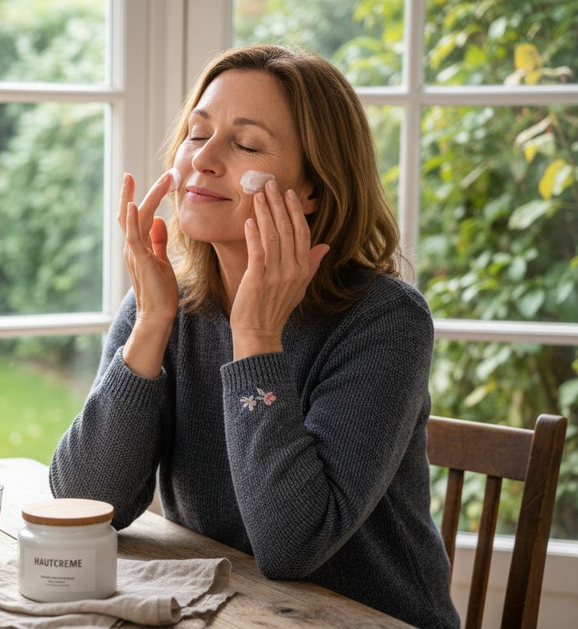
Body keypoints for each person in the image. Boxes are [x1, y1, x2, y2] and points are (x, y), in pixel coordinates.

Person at [48, 44, 460, 628]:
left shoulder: (385, 320)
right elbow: (82, 503)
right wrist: (150, 326)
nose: (204, 160)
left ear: (313, 189)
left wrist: (257, 335)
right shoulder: (167, 301)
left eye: (245, 144)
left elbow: (292, 545)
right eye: (197, 134)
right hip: (225, 613)